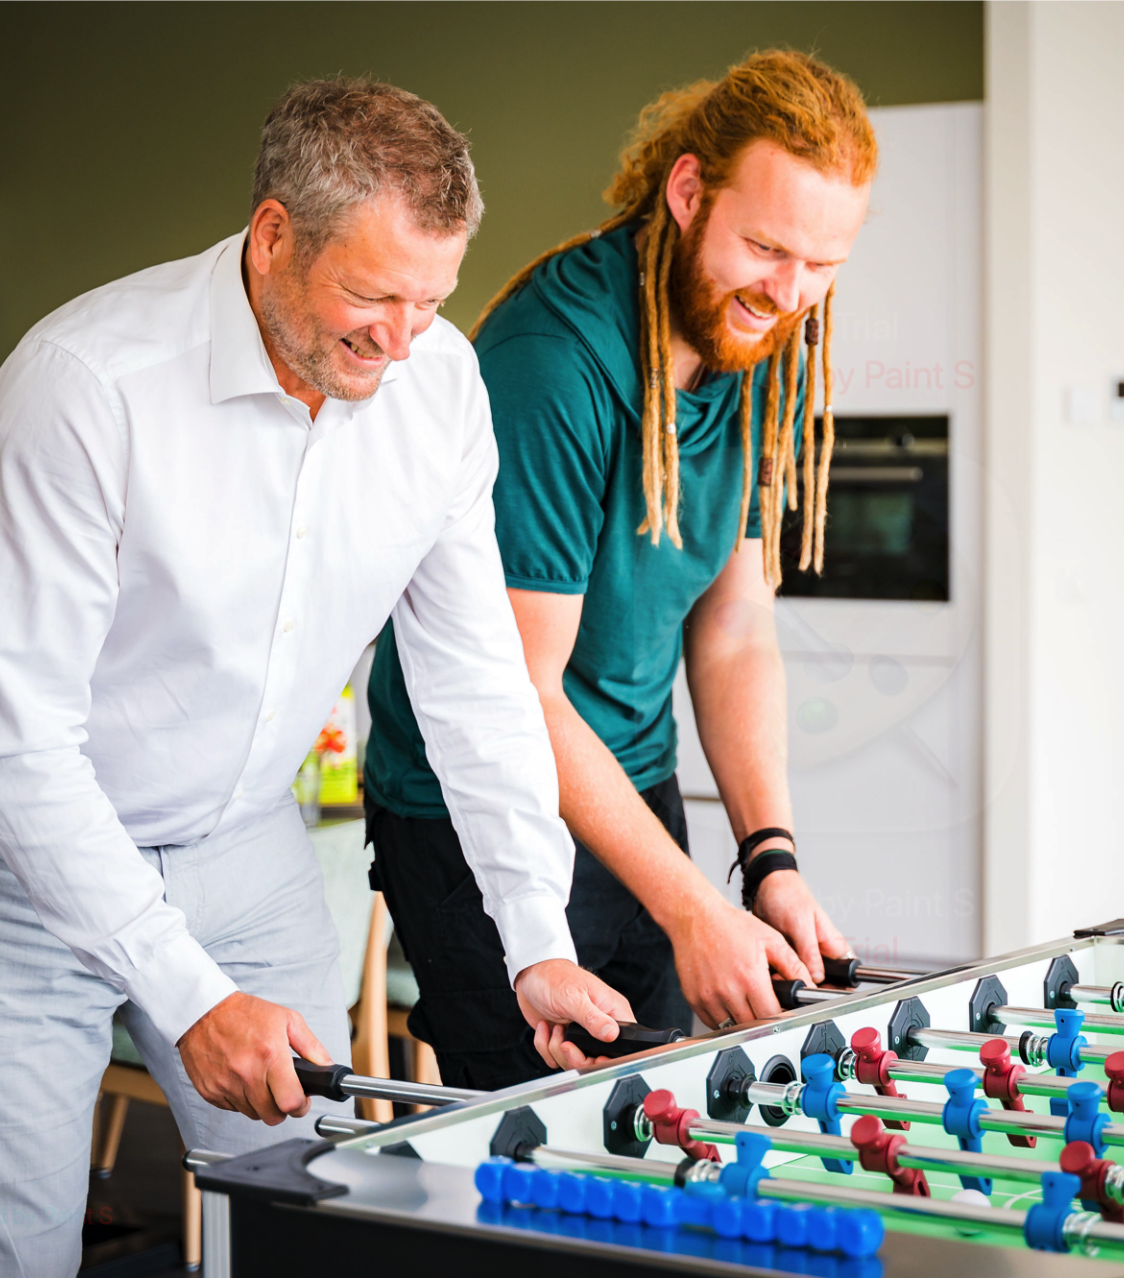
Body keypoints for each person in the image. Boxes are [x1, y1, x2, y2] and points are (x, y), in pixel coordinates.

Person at [0, 78, 628, 1277]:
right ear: (274, 234)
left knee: (315, 1201)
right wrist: (186, 993)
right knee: (1, 1248)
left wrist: (532, 936)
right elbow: (17, 747)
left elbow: (475, 687)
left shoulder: (437, 386)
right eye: (372, 296)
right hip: (10, 849)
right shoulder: (84, 386)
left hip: (241, 837)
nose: (400, 342)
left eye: (429, 302)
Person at [362, 49, 873, 1088]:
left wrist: (765, 861)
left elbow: (734, 623)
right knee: (536, 1159)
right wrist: (691, 907)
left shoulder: (758, 339)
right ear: (688, 192)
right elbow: (520, 694)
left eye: (823, 265)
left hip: (629, 793)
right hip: (482, 814)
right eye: (767, 247)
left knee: (666, 1122)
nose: (790, 293)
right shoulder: (557, 362)